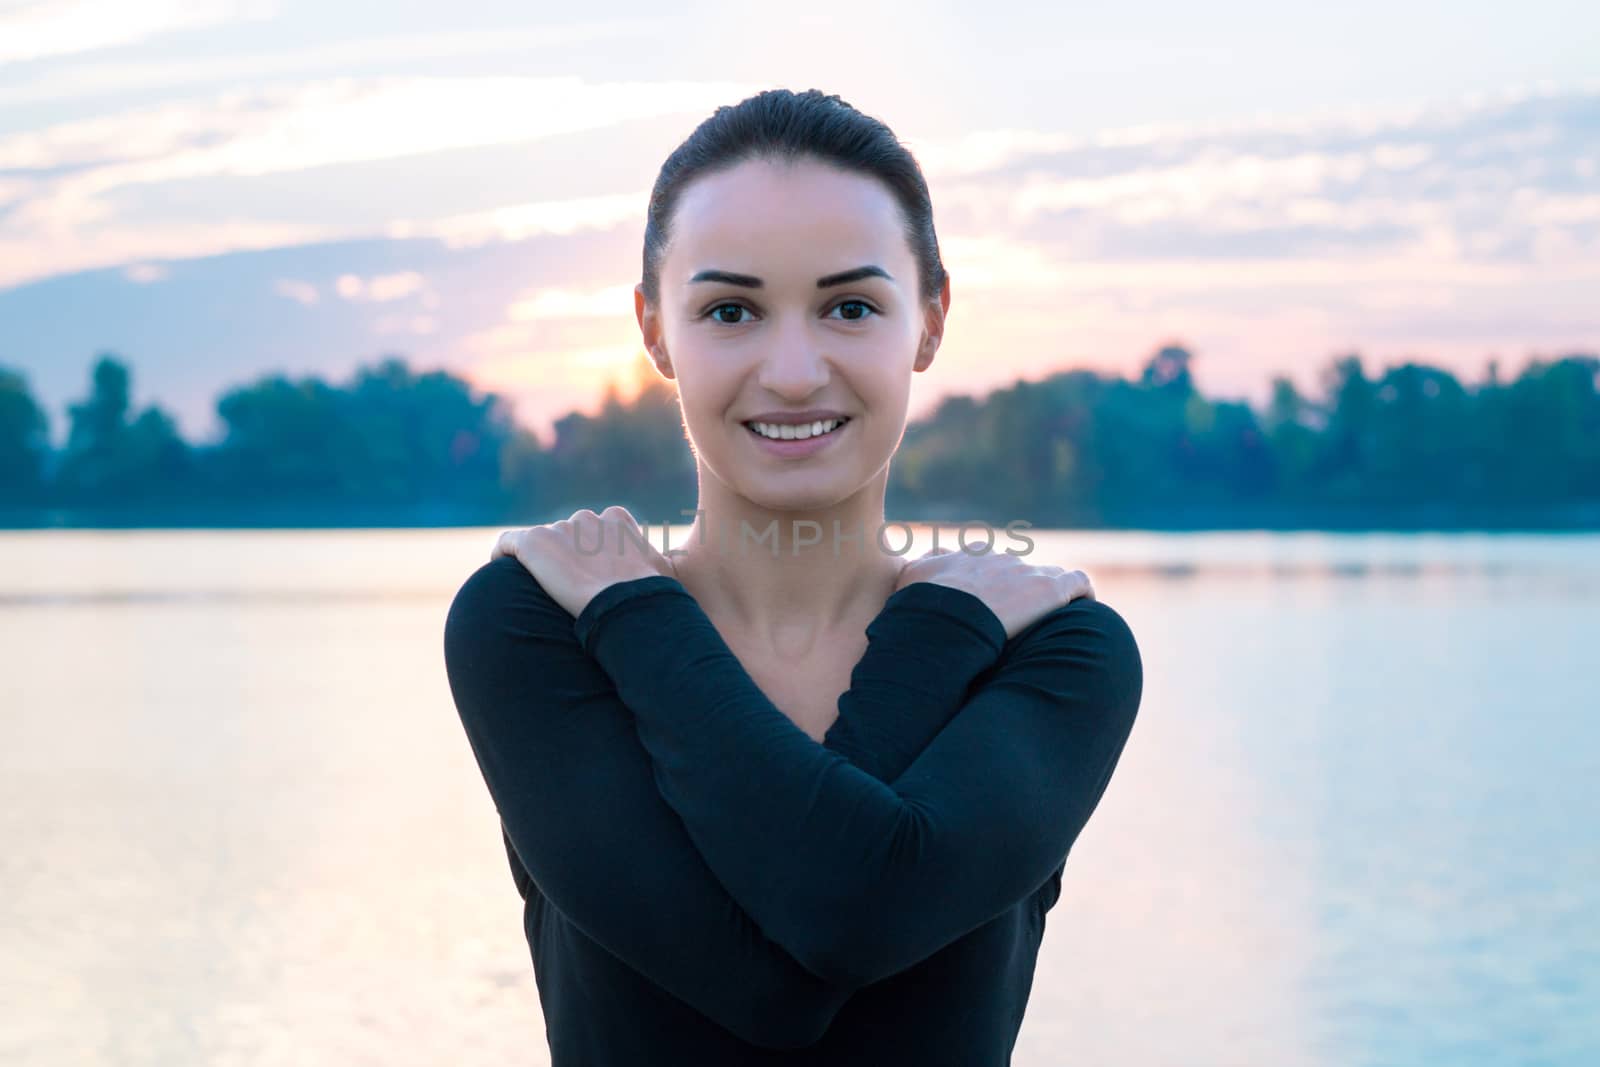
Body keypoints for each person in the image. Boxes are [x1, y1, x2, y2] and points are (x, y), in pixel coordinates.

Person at [442, 87, 1143, 1065]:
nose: (794, 370)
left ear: (930, 321)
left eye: (849, 306)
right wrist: (633, 614)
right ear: (653, 332)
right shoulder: (539, 623)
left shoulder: (1050, 645)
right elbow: (762, 989)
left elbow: (852, 915)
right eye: (730, 309)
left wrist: (638, 616)